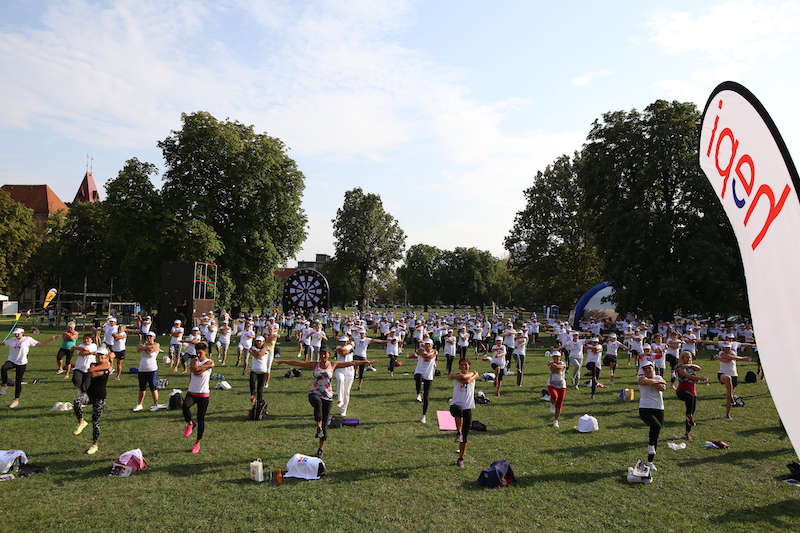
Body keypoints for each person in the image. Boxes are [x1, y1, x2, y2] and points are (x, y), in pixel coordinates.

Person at [275, 345, 375, 459]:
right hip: (314, 392)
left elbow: (351, 363)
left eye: (325, 353)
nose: (323, 355)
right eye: (321, 353)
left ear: (329, 355)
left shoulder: (333, 364)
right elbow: (297, 363)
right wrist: (282, 361)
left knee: (325, 424)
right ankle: (318, 428)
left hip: (327, 396)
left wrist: (366, 362)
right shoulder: (314, 365)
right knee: (317, 404)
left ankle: (320, 449)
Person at [1, 328, 59, 408]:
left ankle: (15, 400)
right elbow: (2, 343)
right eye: (15, 333)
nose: (16, 335)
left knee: (18, 382)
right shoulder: (12, 340)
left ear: (22, 333)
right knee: (4, 368)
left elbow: (41, 345)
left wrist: (51, 339)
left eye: (18, 333)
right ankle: (4, 386)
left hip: (21, 363)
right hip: (12, 361)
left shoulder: (28, 339)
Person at [73, 346, 111, 454]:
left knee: (95, 422)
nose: (99, 356)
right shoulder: (95, 364)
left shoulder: (107, 364)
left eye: (102, 355)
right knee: (76, 402)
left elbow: (93, 371)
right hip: (90, 394)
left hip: (100, 397)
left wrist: (99, 370)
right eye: (98, 354)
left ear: (105, 356)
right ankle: (81, 421)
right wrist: (103, 371)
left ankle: (94, 445)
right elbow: (92, 371)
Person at [182, 343, 215, 454]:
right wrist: (205, 367)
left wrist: (197, 369)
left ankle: (197, 443)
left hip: (203, 394)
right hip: (192, 392)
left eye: (200, 352)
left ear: (205, 351)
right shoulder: (195, 361)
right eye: (197, 352)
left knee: (201, 418)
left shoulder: (209, 361)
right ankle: (190, 423)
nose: (198, 355)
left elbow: (196, 370)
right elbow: (195, 369)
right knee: (185, 406)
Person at [448, 357, 479, 467]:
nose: (464, 367)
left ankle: (461, 458)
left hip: (468, 407)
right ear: (459, 366)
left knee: (465, 436)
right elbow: (465, 379)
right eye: (462, 365)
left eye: (466, 365)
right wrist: (474, 375)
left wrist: (472, 376)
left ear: (469, 366)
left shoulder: (466, 375)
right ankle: (458, 432)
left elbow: (466, 380)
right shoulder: (458, 374)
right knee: (459, 411)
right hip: (455, 406)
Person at [638, 361, 666, 471]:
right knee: (656, 426)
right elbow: (644, 382)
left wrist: (653, 381)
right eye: (645, 368)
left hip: (659, 408)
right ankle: (650, 446)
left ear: (653, 368)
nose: (647, 370)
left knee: (656, 435)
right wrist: (658, 382)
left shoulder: (658, 376)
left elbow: (662, 388)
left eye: (649, 368)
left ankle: (650, 461)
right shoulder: (640, 378)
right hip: (645, 408)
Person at [675, 350, 708, 440]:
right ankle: (689, 416)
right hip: (682, 390)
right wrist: (699, 378)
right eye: (687, 357)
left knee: (690, 411)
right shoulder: (679, 367)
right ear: (682, 358)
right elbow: (685, 375)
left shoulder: (691, 367)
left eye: (690, 357)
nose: (689, 359)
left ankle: (687, 433)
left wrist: (690, 365)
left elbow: (699, 368)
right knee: (690, 398)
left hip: (692, 390)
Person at [714, 342, 752, 420]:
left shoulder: (733, 353)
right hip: (723, 374)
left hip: (734, 375)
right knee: (728, 378)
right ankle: (732, 397)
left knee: (728, 396)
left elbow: (729, 359)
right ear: (723, 347)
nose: (727, 349)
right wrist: (743, 358)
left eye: (728, 348)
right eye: (725, 347)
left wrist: (718, 359)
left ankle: (728, 413)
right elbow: (727, 359)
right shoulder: (721, 352)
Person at [133, 331, 160, 412]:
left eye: (150, 337)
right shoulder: (143, 345)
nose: (148, 338)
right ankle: (139, 404)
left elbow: (151, 350)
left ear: (154, 337)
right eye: (147, 336)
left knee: (153, 386)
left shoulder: (157, 344)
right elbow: (138, 348)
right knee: (142, 387)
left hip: (152, 369)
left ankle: (155, 404)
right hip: (142, 369)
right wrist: (146, 348)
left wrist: (145, 348)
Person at [414, 338, 437, 423]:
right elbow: (427, 357)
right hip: (419, 371)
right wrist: (433, 354)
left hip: (428, 375)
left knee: (427, 396)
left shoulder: (434, 351)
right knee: (418, 377)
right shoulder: (420, 350)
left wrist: (432, 354)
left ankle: (424, 416)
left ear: (432, 345)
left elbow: (428, 357)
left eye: (429, 344)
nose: (428, 345)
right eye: (426, 344)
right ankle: (418, 394)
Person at [334, 336, 356, 416]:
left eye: (344, 341)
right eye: (341, 341)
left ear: (347, 342)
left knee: (346, 391)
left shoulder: (349, 346)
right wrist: (345, 350)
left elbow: (344, 351)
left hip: (349, 370)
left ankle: (343, 410)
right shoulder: (339, 347)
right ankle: (340, 400)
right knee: (340, 380)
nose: (343, 343)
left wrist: (347, 349)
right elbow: (340, 351)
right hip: (340, 368)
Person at [547, 351, 567, 427]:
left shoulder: (563, 363)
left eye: (558, 357)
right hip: (552, 384)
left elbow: (558, 369)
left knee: (559, 403)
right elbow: (556, 369)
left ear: (560, 357)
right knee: (554, 396)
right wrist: (556, 367)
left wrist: (555, 366)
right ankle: (552, 404)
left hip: (561, 385)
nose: (556, 358)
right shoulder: (550, 362)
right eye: (554, 357)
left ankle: (556, 420)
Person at [248, 336, 270, 403]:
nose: (259, 342)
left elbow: (258, 355)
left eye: (260, 341)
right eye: (258, 341)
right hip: (254, 370)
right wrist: (265, 349)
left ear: (263, 342)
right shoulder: (254, 347)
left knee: (260, 389)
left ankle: (259, 402)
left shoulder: (265, 350)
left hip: (263, 371)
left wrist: (252, 353)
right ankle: (253, 394)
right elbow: (258, 354)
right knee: (252, 383)